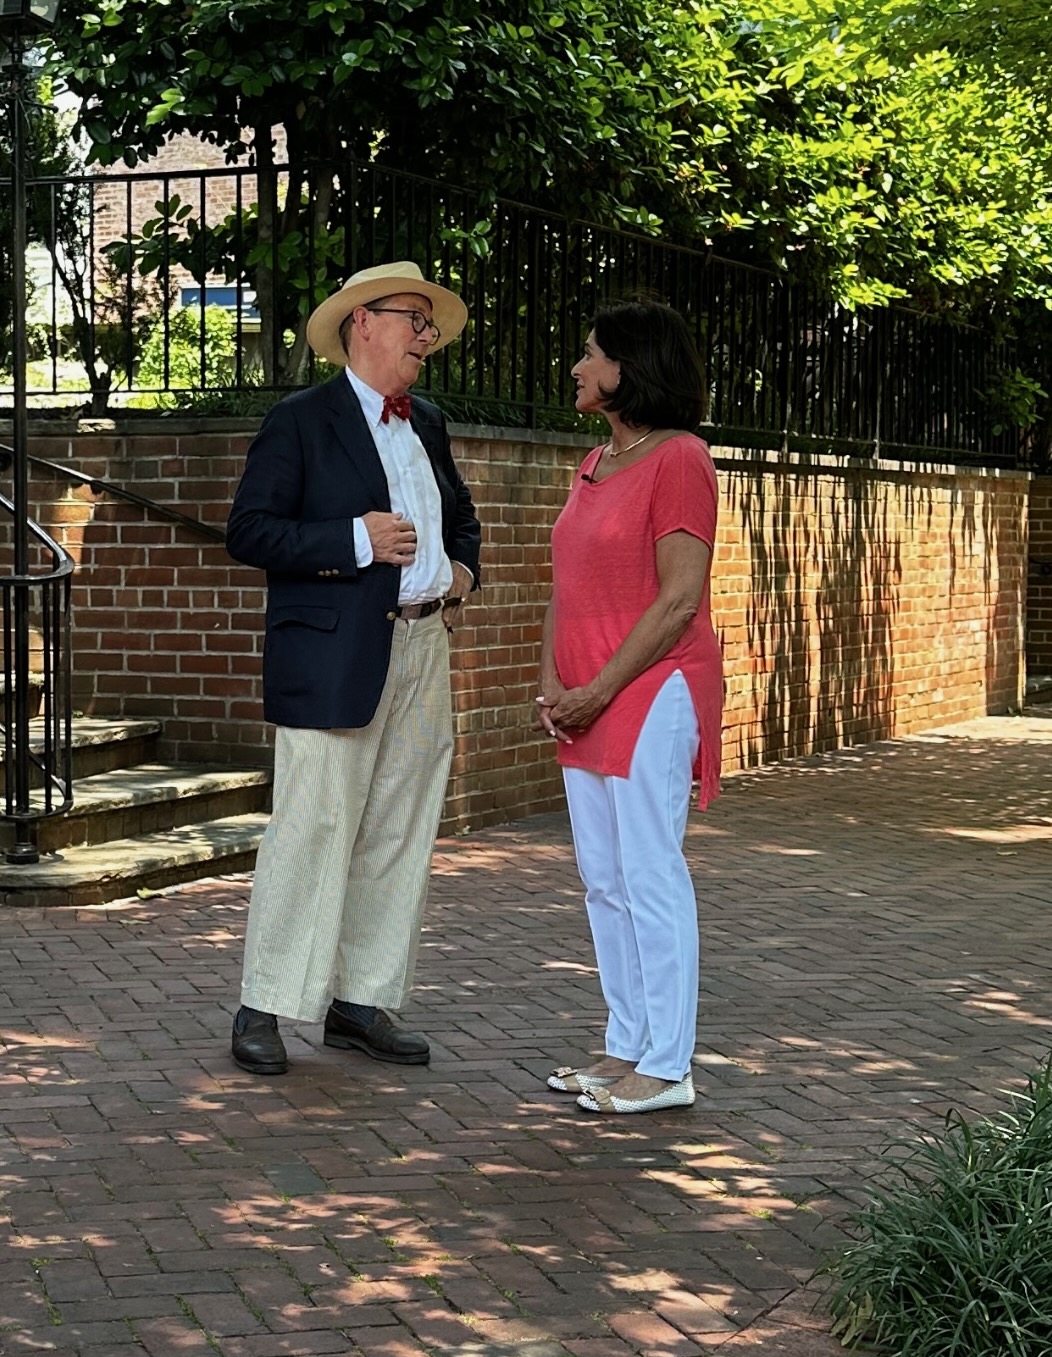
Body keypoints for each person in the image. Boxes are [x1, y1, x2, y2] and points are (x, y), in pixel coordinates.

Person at [225, 261, 481, 1077]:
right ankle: (263, 1003)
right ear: (362, 323)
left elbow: (461, 517)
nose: (425, 336)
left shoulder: (427, 421)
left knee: (400, 829)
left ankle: (361, 1002)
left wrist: (462, 570)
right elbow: (251, 532)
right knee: (313, 829)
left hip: (421, 645)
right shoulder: (300, 420)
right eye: (414, 318)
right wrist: (353, 539)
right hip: (331, 656)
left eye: (429, 323)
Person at [537, 299, 723, 1115]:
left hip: (649, 689)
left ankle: (669, 1064)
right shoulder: (593, 462)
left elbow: (679, 598)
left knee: (649, 874)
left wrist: (599, 689)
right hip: (584, 696)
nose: (579, 367)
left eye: (590, 352)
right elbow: (565, 584)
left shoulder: (679, 458)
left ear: (630, 367)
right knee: (603, 879)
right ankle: (626, 1049)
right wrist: (553, 685)